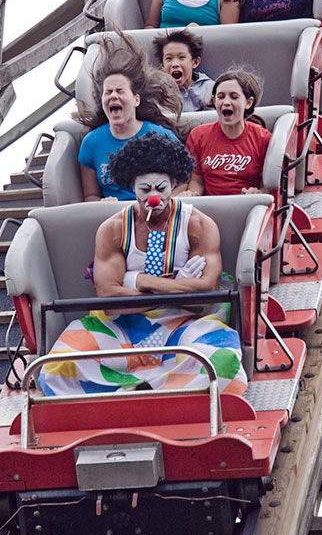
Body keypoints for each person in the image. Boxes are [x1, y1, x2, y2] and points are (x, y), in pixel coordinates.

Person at [38, 133, 247, 397]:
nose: (154, 198)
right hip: (122, 327)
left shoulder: (199, 225)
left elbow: (203, 296)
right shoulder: (112, 229)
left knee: (221, 363)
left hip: (187, 323)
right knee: (57, 367)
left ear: (174, 184)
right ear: (132, 187)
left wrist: (139, 281)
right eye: (144, 190)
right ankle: (131, 400)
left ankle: (141, 396)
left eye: (161, 188)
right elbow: (109, 297)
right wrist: (177, 287)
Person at [77, 33, 181, 202]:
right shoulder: (91, 143)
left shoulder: (162, 136)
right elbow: (91, 195)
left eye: (120, 91)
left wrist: (165, 202)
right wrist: (102, 203)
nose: (113, 96)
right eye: (108, 92)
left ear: (136, 100)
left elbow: (183, 182)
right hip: (117, 219)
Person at [182, 69, 272, 196]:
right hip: (209, 208)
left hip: (247, 206)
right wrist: (192, 194)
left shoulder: (263, 138)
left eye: (234, 97)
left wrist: (257, 192)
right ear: (214, 101)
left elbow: (267, 187)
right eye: (221, 97)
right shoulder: (198, 135)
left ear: (248, 102)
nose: (226, 102)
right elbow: (197, 181)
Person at [153, 29, 215, 112]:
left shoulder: (209, 87)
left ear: (195, 62)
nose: (175, 64)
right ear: (163, 66)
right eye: (169, 58)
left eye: (181, 57)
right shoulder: (158, 91)